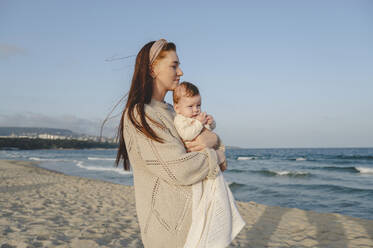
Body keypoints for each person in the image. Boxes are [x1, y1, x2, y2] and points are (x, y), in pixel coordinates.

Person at [115, 39, 226, 248]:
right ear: (152, 69)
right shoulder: (141, 114)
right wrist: (217, 154)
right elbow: (180, 168)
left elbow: (205, 140)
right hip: (168, 230)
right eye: (174, 66)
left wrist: (214, 141)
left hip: (193, 223)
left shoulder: (171, 111)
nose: (181, 72)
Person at [173, 82, 245, 248]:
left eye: (198, 105)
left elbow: (207, 131)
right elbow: (187, 133)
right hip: (197, 162)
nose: (196, 110)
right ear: (177, 108)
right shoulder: (180, 120)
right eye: (190, 106)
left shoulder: (194, 118)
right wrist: (199, 123)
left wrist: (210, 123)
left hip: (207, 156)